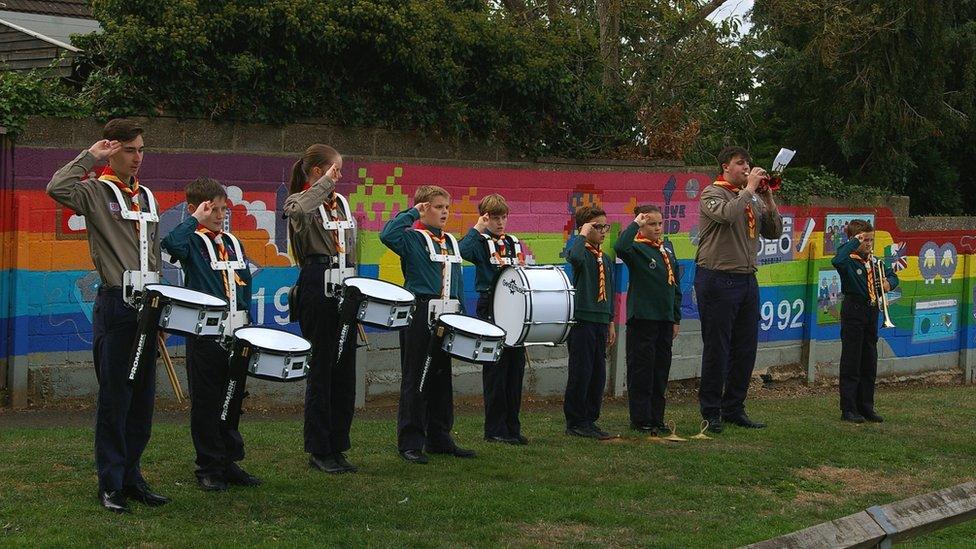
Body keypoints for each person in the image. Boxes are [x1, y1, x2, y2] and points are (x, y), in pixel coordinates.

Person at [46, 118, 168, 513]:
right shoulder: (97, 192)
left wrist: (160, 307)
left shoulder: (147, 196)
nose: (137, 158)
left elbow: (153, 254)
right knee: (116, 399)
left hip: (148, 307)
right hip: (117, 303)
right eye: (129, 149)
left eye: (140, 150)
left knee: (143, 401)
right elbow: (56, 188)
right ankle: (110, 483)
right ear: (113, 149)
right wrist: (90, 157)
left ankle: (133, 478)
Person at [162, 177, 261, 490]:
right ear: (195, 209)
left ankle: (228, 461)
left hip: (236, 332)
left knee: (232, 398)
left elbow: (245, 282)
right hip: (206, 335)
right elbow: (170, 245)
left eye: (222, 209)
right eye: (212, 209)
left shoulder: (233, 242)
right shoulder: (191, 240)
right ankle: (208, 465)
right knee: (207, 402)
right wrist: (194, 220)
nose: (219, 215)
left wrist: (248, 323)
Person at [380, 185, 476, 464]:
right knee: (416, 376)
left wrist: (461, 315)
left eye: (447, 207)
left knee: (440, 376)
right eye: (437, 206)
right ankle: (410, 441)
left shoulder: (451, 241)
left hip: (448, 311)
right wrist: (412, 212)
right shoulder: (411, 238)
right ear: (424, 208)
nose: (444, 211)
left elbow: (456, 279)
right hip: (421, 310)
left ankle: (440, 437)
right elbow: (387, 234)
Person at [695, 146, 783, 433]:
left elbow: (773, 231)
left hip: (746, 279)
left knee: (745, 348)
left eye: (748, 163)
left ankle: (734, 407)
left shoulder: (752, 197)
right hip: (717, 278)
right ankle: (711, 411)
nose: (746, 168)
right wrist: (749, 189)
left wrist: (768, 199)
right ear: (725, 167)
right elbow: (726, 216)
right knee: (717, 348)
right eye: (740, 163)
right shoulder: (712, 193)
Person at [284, 144, 359, 473]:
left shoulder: (340, 202)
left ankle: (338, 443)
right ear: (317, 172)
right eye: (334, 171)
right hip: (317, 281)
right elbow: (298, 211)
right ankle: (318, 448)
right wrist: (323, 185)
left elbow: (351, 244)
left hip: (345, 282)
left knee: (345, 369)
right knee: (323, 368)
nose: (338, 178)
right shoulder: (302, 200)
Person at [459, 194, 528, 445]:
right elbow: (462, 250)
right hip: (491, 305)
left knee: (514, 369)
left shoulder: (512, 242)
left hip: (515, 306)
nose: (500, 223)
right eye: (494, 218)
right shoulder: (479, 242)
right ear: (485, 217)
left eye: (503, 217)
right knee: (496, 370)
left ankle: (512, 426)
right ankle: (495, 428)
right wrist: (478, 226)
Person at [614, 205, 681, 435]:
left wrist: (676, 317)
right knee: (642, 369)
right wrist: (635, 223)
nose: (658, 228)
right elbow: (619, 246)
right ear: (642, 226)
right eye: (652, 224)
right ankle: (640, 418)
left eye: (660, 223)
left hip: (664, 318)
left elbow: (675, 285)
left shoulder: (667, 249)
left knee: (660, 370)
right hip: (643, 318)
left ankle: (657, 417)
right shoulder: (635, 248)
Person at [831, 219, 898, 423]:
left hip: (871, 311)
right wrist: (854, 241)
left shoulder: (875, 262)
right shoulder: (849, 261)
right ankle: (849, 409)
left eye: (871, 239)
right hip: (854, 309)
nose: (869, 243)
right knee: (852, 360)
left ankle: (866, 406)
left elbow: (893, 276)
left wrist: (888, 283)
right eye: (864, 240)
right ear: (854, 240)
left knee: (869, 360)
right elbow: (837, 260)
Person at [563, 205, 616, 440]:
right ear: (584, 228)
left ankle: (590, 419)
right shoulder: (581, 252)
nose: (603, 231)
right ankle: (575, 420)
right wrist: (581, 235)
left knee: (598, 373)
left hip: (600, 319)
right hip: (582, 319)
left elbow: (610, 291)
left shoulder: (604, 257)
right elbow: (573, 257)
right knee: (581, 371)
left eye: (605, 226)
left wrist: (611, 321)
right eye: (597, 226)